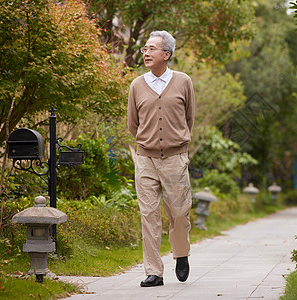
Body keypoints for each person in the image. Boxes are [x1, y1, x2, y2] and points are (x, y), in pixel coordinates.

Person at [127, 30, 195, 287]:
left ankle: (181, 253)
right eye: (145, 49)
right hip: (145, 158)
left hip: (176, 158)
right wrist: (149, 143)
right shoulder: (136, 85)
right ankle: (154, 271)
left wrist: (177, 141)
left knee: (179, 213)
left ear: (166, 54)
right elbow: (133, 124)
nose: (146, 53)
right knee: (149, 214)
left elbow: (189, 118)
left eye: (152, 49)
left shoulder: (183, 81)